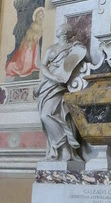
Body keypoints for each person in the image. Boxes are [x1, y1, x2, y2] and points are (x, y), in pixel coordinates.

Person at [33, 24, 87, 162]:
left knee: (47, 115)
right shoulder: (51, 48)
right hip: (48, 83)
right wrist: (50, 77)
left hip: (60, 85)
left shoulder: (73, 47)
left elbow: (78, 60)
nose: (58, 29)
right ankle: (63, 148)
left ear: (65, 32)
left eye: (61, 28)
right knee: (45, 115)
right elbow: (43, 66)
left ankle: (65, 148)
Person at [5, 7, 45, 78]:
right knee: (18, 63)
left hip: (35, 46)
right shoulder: (33, 26)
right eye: (40, 14)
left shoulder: (44, 26)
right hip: (30, 46)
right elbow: (30, 37)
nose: (42, 16)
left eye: (42, 14)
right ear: (37, 16)